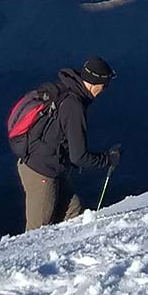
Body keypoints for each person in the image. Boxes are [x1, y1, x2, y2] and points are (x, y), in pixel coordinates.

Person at [15, 55, 122, 231]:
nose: (105, 89)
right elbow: (79, 156)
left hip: (48, 167)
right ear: (94, 82)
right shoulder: (74, 106)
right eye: (105, 85)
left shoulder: (67, 90)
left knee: (75, 215)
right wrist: (108, 160)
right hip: (41, 172)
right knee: (36, 233)